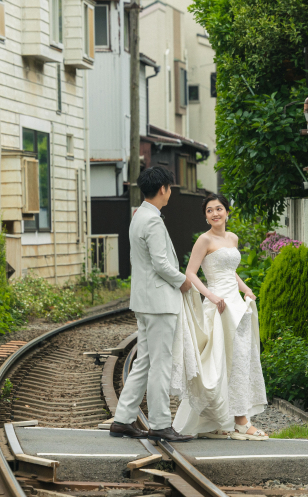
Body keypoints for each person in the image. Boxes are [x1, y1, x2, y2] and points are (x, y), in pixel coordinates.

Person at [170, 193, 269, 440]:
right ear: (206, 217)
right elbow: (190, 273)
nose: (215, 213)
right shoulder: (204, 240)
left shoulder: (232, 238)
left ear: (227, 212)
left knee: (238, 359)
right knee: (218, 363)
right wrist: (210, 296)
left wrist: (244, 287)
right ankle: (240, 422)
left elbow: (230, 271)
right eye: (210, 211)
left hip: (235, 303)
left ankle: (230, 419)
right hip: (218, 306)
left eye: (219, 209)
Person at [111, 167, 194, 442]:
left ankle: (122, 419)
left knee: (145, 362)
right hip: (159, 302)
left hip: (145, 301)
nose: (170, 192)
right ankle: (160, 424)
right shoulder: (154, 221)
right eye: (169, 187)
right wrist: (183, 281)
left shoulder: (139, 217)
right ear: (163, 189)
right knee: (160, 364)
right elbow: (161, 264)